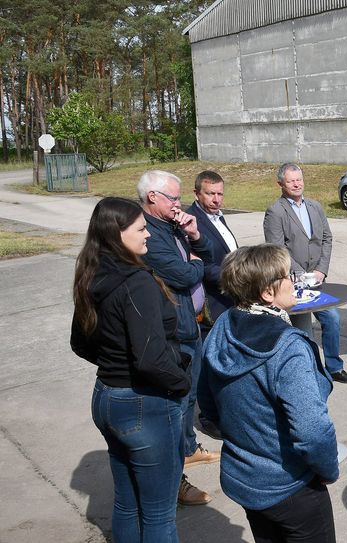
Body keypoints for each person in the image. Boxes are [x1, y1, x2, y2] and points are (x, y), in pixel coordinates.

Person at [198, 244, 339, 543]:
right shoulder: (288, 346)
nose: (294, 281)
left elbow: (209, 405)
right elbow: (312, 431)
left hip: (245, 480)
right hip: (290, 486)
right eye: (287, 276)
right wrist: (327, 468)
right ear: (267, 293)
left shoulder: (223, 324)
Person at [70, 197, 191, 541]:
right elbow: (151, 359)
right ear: (117, 234)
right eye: (141, 229)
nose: (148, 235)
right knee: (158, 514)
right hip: (144, 405)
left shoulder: (92, 273)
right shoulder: (136, 282)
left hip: (107, 397)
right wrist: (181, 384)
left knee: (128, 503)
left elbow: (81, 343)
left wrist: (114, 364)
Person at [138, 170, 218, 506]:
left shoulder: (173, 225)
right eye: (173, 197)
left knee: (189, 395)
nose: (179, 204)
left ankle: (187, 449)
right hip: (174, 331)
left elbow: (209, 256)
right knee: (175, 404)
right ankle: (175, 480)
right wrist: (196, 263)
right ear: (153, 197)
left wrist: (195, 235)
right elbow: (184, 274)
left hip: (192, 322)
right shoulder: (147, 234)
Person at [264, 163, 347, 384]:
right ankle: (309, 373)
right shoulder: (275, 212)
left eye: (299, 179)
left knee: (332, 318)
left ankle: (334, 368)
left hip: (317, 278)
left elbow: (327, 238)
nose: (297, 184)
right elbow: (277, 249)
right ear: (281, 184)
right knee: (303, 330)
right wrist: (299, 273)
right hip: (293, 281)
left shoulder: (315, 206)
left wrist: (321, 270)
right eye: (291, 181)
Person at [185, 170, 239, 333]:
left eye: (220, 194)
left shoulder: (218, 216)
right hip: (213, 305)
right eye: (210, 194)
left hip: (231, 298)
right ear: (197, 194)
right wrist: (239, 278)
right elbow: (203, 266)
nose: (216, 200)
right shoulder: (190, 222)